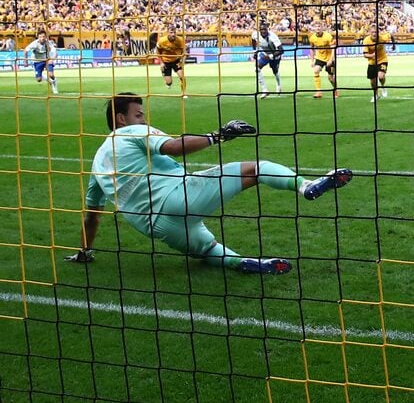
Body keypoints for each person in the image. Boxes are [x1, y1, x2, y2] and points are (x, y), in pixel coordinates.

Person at [64, 93, 352, 274]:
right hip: (179, 197)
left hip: (158, 228)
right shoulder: (131, 132)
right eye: (139, 114)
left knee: (208, 250)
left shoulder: (97, 165)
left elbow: (92, 217)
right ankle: (306, 186)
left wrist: (85, 251)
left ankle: (245, 263)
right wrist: (220, 135)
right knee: (256, 168)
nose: (143, 118)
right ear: (121, 118)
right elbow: (174, 147)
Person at [252, 21, 284, 97]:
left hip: (275, 55)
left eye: (265, 29)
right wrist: (255, 51)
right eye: (261, 30)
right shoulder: (255, 34)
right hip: (265, 53)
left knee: (275, 71)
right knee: (257, 68)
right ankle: (265, 90)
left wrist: (270, 56)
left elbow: (281, 50)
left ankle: (279, 85)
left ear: (267, 29)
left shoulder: (273, 36)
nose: (263, 31)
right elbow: (253, 40)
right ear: (259, 30)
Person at [154, 24, 187, 98]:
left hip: (176, 60)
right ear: (167, 33)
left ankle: (183, 93)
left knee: (182, 76)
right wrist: (161, 62)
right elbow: (157, 51)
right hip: (166, 61)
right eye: (171, 32)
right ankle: (167, 80)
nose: (173, 34)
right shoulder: (162, 41)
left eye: (174, 32)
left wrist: (183, 61)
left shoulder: (180, 40)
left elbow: (184, 52)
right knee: (169, 82)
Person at [23, 28, 59, 94]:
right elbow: (25, 50)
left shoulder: (48, 43)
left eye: (43, 36)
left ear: (46, 37)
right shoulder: (34, 44)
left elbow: (55, 52)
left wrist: (52, 59)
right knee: (39, 79)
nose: (42, 38)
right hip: (37, 61)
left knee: (51, 74)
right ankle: (50, 81)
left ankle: (54, 86)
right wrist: (26, 61)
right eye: (40, 37)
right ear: (38, 37)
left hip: (46, 59)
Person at [363, 25, 391, 103]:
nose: (374, 34)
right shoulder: (366, 41)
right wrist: (371, 55)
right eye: (372, 32)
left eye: (376, 32)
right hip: (372, 62)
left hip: (382, 59)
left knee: (381, 76)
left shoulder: (383, 38)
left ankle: (383, 87)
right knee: (373, 81)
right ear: (369, 32)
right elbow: (365, 54)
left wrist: (394, 45)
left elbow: (391, 35)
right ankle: (376, 95)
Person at [309, 24, 338, 99]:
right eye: (316, 26)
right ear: (314, 28)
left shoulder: (328, 36)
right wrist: (312, 61)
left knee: (330, 78)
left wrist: (331, 60)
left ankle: (335, 89)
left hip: (329, 58)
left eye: (319, 26)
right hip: (320, 58)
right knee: (316, 70)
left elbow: (333, 48)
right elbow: (312, 49)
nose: (318, 28)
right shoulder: (312, 38)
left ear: (322, 28)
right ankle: (318, 92)